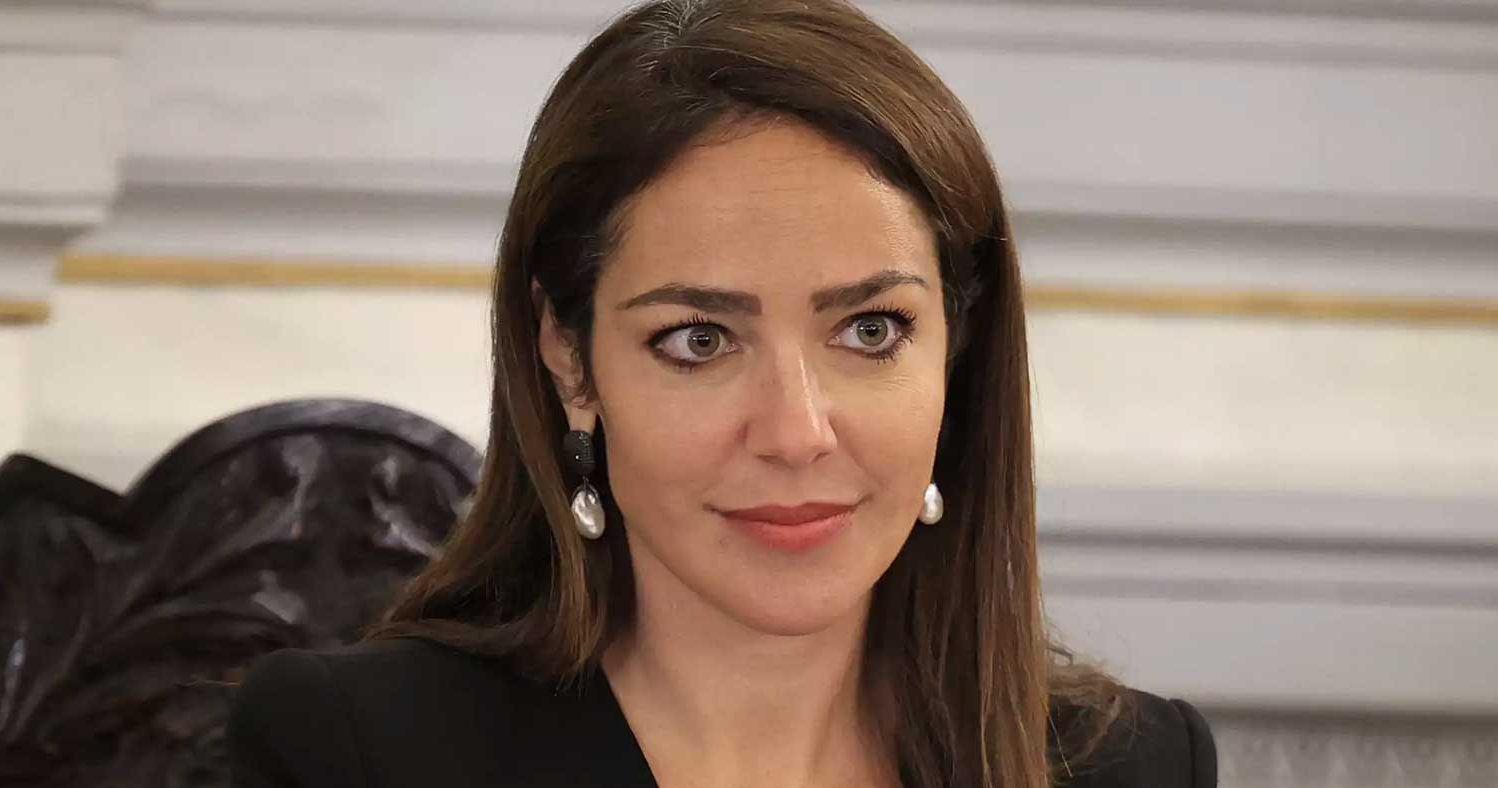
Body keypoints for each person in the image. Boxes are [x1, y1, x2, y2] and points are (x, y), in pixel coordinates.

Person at [225, 1, 1217, 786]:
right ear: (568, 356)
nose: (796, 431)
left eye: (870, 330)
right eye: (699, 340)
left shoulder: (1134, 767)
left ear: (957, 351)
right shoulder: (362, 753)